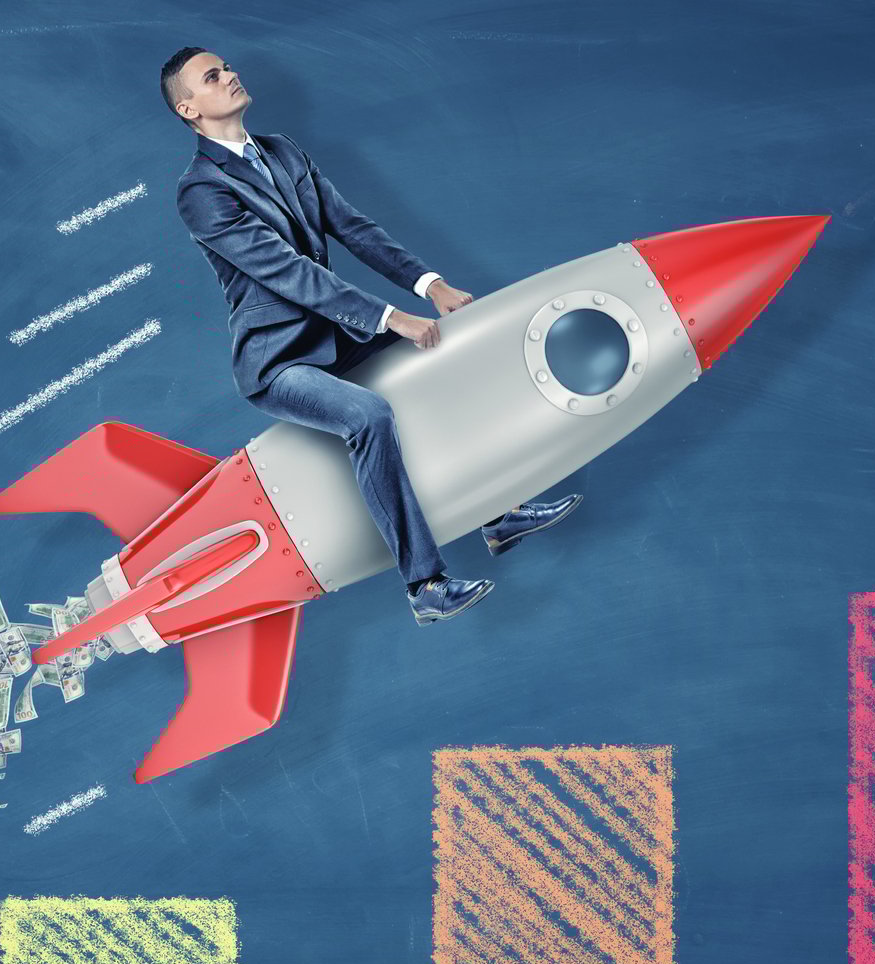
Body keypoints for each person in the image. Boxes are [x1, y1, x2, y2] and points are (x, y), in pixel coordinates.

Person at [163, 46, 579, 624]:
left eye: (227, 67)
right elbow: (288, 271)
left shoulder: (283, 152)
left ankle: (500, 513)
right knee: (369, 416)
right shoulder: (201, 191)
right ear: (188, 108)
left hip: (334, 334)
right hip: (279, 361)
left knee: (445, 355)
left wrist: (428, 285)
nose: (230, 75)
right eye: (212, 77)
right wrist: (389, 318)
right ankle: (425, 588)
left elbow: (353, 227)